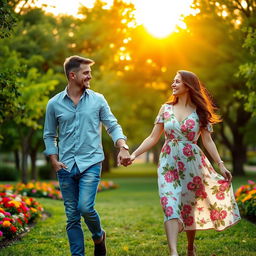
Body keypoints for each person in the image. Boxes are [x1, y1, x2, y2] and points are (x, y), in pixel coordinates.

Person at [128, 70, 241, 256]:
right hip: (168, 163)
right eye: (173, 81)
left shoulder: (200, 112)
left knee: (189, 207)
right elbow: (152, 137)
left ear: (188, 86)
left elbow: (208, 141)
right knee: (169, 203)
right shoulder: (165, 109)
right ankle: (173, 252)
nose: (172, 85)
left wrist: (220, 164)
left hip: (192, 164)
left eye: (177, 82)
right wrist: (134, 154)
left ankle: (190, 246)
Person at [43, 55, 131, 256]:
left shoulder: (98, 100)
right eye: (86, 73)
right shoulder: (54, 104)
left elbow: (112, 125)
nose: (90, 76)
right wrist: (54, 160)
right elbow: (49, 135)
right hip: (65, 166)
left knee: (84, 207)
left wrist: (122, 146)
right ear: (72, 75)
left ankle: (98, 236)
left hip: (91, 162)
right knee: (72, 217)